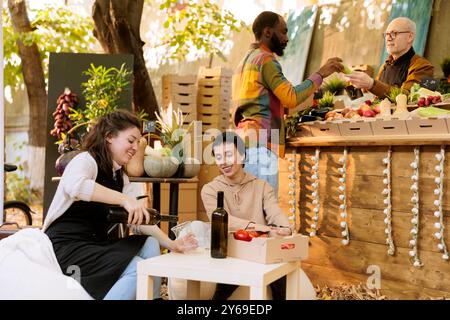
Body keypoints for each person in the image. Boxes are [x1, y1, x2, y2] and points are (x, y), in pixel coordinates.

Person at [42, 110, 197, 300]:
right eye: (130, 141)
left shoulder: (120, 177)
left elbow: (139, 221)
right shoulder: (86, 160)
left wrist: (173, 244)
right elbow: (76, 186)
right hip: (66, 247)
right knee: (137, 268)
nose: (135, 147)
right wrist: (125, 200)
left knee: (150, 244)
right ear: (109, 137)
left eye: (138, 142)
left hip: (94, 244)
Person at [231, 11, 343, 194]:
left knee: (248, 214)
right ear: (268, 32)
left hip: (243, 146)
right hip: (262, 147)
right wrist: (320, 74)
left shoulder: (244, 61)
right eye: (283, 32)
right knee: (262, 216)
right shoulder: (266, 60)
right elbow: (290, 97)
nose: (286, 38)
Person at [201, 131, 292, 300]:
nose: (224, 162)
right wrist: (258, 226)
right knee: (220, 294)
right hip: (229, 251)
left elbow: (274, 211)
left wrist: (285, 227)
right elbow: (222, 220)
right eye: (219, 157)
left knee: (281, 281)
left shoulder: (262, 186)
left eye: (229, 154)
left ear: (242, 155)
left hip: (259, 250)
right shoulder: (210, 190)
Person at [346, 17, 434, 97]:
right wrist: (354, 86)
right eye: (386, 34)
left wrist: (371, 84)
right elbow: (374, 96)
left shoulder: (424, 66)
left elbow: (409, 97)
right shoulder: (386, 65)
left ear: (410, 37)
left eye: (393, 33)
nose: (388, 38)